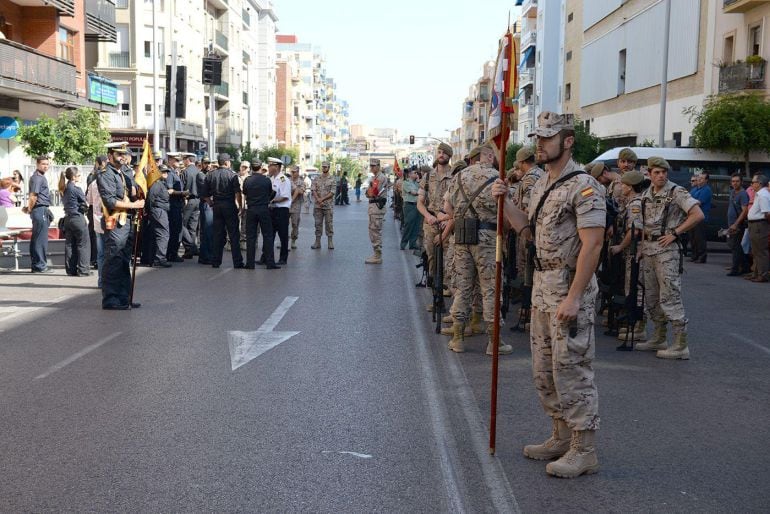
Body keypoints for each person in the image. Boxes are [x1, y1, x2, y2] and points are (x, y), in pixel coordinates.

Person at [493, 111, 606, 478]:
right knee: (544, 369)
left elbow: (593, 245)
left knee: (572, 367)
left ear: (567, 140)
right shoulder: (542, 183)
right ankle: (560, 435)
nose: (539, 144)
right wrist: (504, 201)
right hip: (542, 288)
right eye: (537, 137)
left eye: (547, 138)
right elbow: (526, 229)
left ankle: (583, 449)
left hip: (569, 289)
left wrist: (574, 297)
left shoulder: (584, 186)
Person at [443, 143, 513, 356]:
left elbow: (448, 209)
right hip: (489, 239)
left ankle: (458, 338)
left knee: (463, 288)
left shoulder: (458, 177)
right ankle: (494, 342)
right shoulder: (497, 178)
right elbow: (507, 216)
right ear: (489, 156)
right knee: (491, 288)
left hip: (463, 237)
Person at [635, 157, 704, 359]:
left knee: (670, 295)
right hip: (648, 248)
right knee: (651, 296)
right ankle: (659, 336)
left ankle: (680, 344)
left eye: (664, 172)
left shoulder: (676, 192)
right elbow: (644, 224)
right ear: (649, 173)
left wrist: (676, 232)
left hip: (667, 251)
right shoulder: (646, 195)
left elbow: (697, 214)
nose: (661, 175)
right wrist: (641, 246)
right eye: (656, 172)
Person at [97, 143, 145, 309]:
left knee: (124, 260)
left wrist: (139, 187)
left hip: (126, 222)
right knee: (114, 259)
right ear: (110, 155)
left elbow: (130, 193)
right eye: (119, 154)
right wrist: (135, 205)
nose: (123, 157)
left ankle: (124, 297)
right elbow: (110, 200)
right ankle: (110, 299)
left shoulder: (122, 173)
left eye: (124, 154)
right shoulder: (105, 174)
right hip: (116, 220)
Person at [608, 170, 649, 342]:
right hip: (631, 251)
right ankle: (633, 322)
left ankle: (639, 326)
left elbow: (635, 231)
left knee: (635, 288)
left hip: (635, 251)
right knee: (630, 288)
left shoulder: (635, 204)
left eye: (624, 185)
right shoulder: (631, 202)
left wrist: (620, 247)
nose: (621, 187)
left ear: (631, 187)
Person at [417, 143, 453, 285]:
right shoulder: (427, 177)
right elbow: (420, 203)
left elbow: (459, 204)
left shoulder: (456, 175)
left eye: (444, 153)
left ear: (449, 156)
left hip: (448, 223)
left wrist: (449, 218)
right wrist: (428, 216)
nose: (441, 155)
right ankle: (433, 288)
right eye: (439, 152)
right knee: (431, 256)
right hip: (431, 223)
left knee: (448, 258)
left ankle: (446, 287)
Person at [204, 153, 244, 269]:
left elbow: (205, 194)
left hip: (217, 207)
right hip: (229, 206)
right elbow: (238, 193)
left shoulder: (210, 175)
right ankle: (237, 262)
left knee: (217, 235)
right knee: (234, 235)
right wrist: (240, 207)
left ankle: (216, 261)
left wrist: (211, 203)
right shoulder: (232, 175)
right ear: (227, 163)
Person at [242, 164, 280, 270]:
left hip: (251, 209)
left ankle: (250, 263)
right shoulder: (266, 180)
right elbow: (271, 193)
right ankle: (270, 263)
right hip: (264, 209)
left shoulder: (247, 180)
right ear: (260, 168)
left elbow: (245, 193)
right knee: (268, 236)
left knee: (251, 237)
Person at [22, 155, 52, 273]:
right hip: (40, 210)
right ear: (37, 164)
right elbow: (33, 196)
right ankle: (40, 266)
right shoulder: (38, 178)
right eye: (43, 164)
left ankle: (36, 265)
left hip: (39, 209)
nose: (46, 166)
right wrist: (29, 208)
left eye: (47, 164)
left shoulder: (38, 177)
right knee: (40, 239)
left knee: (37, 238)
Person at [60, 167, 91, 276]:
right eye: (78, 175)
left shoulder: (63, 188)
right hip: (77, 217)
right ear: (73, 177)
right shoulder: (76, 189)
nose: (80, 177)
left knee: (69, 244)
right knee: (83, 244)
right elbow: (85, 203)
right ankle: (83, 270)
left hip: (67, 218)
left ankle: (70, 269)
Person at [146, 164, 172, 268]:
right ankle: (160, 259)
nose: (165, 173)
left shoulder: (161, 183)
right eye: (163, 171)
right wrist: (150, 211)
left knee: (160, 235)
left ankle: (156, 258)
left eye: (166, 172)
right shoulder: (157, 184)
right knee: (163, 235)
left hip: (160, 211)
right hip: (159, 211)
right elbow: (150, 199)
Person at [745, 174, 770, 282]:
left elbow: (767, 213)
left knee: (761, 251)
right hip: (755, 224)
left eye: (753, 182)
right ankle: (756, 272)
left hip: (759, 225)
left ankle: (762, 275)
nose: (752, 184)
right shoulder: (759, 194)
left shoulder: (763, 195)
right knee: (755, 251)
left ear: (759, 183)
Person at [267, 157, 292, 265]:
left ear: (276, 167)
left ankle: (283, 258)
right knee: (269, 235)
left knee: (283, 236)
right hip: (272, 210)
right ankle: (266, 257)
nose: (268, 168)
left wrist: (271, 200)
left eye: (270, 166)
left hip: (282, 211)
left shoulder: (283, 179)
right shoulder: (272, 179)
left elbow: (285, 196)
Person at [365, 158, 389, 264]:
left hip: (377, 207)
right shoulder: (375, 177)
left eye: (374, 166)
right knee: (373, 231)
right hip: (373, 207)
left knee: (375, 232)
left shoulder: (380, 177)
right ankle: (376, 254)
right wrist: (368, 191)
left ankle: (378, 256)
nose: (372, 167)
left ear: (379, 166)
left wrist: (369, 191)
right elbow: (367, 193)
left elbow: (372, 193)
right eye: (371, 166)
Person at [727, 173, 750, 276]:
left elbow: (744, 211)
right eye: (733, 181)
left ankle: (735, 269)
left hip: (738, 225)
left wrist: (736, 224)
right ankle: (745, 267)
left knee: (735, 246)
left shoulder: (743, 194)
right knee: (734, 246)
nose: (735, 183)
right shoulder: (732, 192)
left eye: (737, 181)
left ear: (741, 182)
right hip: (731, 223)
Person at [164, 153, 187, 262]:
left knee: (177, 230)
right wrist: (183, 193)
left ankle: (172, 253)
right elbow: (169, 190)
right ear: (170, 161)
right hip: (172, 206)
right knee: (174, 231)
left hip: (177, 205)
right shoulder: (170, 174)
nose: (178, 162)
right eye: (176, 160)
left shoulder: (175, 173)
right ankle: (171, 254)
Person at [85, 169, 105, 287]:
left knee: (101, 254)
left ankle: (101, 281)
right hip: (108, 221)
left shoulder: (92, 184)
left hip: (97, 221)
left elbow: (89, 201)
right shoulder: (108, 183)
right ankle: (107, 280)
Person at [180, 152, 201, 259]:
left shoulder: (186, 172)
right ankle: (191, 250)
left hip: (189, 200)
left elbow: (182, 188)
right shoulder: (198, 171)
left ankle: (190, 247)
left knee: (181, 224)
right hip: (198, 200)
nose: (183, 161)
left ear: (188, 160)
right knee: (192, 227)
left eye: (184, 159)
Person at [311, 161, 336, 249]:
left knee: (329, 224)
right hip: (318, 206)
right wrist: (318, 199)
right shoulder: (316, 178)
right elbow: (313, 189)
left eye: (326, 167)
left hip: (328, 206)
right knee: (317, 224)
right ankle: (317, 242)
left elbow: (332, 192)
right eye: (323, 167)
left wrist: (322, 199)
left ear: (329, 167)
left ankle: (330, 242)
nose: (324, 168)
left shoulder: (332, 179)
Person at [689, 173, 712, 263]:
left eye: (702, 178)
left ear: (706, 180)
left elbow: (698, 202)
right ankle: (694, 255)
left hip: (701, 217)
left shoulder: (706, 190)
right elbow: (688, 199)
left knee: (700, 238)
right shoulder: (694, 189)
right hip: (691, 217)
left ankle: (702, 257)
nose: (699, 179)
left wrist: (688, 203)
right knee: (693, 237)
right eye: (699, 177)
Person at [197, 156, 214, 265]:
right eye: (205, 163)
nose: (207, 165)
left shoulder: (209, 174)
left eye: (209, 163)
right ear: (202, 164)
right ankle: (205, 256)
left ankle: (206, 255)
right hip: (206, 203)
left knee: (209, 231)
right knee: (207, 230)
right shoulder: (201, 175)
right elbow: (207, 189)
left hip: (210, 204)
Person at [400, 167, 421, 250]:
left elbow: (422, 189)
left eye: (416, 173)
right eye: (414, 173)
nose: (416, 174)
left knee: (416, 225)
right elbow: (414, 193)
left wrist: (419, 182)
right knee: (408, 225)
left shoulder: (417, 183)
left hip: (417, 205)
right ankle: (403, 243)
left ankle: (413, 243)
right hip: (409, 205)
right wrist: (420, 191)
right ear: (409, 174)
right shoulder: (406, 183)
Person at [289, 165, 305, 249]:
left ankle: (293, 240)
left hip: (296, 205)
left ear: (298, 172)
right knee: (283, 223)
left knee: (295, 224)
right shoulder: (286, 179)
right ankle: (283, 240)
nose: (292, 173)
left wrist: (295, 189)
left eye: (294, 172)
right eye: (291, 172)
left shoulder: (301, 181)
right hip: (286, 205)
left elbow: (301, 191)